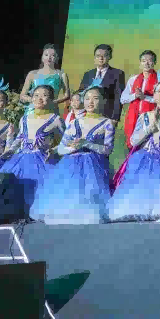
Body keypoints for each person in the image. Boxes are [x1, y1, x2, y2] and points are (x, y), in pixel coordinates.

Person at [30, 87, 115, 224]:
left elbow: (108, 149)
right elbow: (61, 149)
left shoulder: (107, 123)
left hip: (93, 165)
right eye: (87, 98)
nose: (90, 102)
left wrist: (86, 144)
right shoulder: (74, 122)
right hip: (70, 163)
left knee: (90, 193)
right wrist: (73, 148)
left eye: (95, 98)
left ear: (104, 101)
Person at [108, 80, 160, 222]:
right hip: (144, 157)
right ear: (154, 95)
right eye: (159, 91)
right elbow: (133, 141)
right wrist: (149, 129)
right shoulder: (145, 116)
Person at [119, 51, 160, 150]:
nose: (146, 63)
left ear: (154, 62)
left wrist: (145, 98)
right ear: (140, 63)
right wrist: (135, 95)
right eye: (143, 61)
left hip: (151, 117)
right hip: (133, 117)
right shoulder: (133, 79)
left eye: (149, 61)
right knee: (133, 145)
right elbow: (123, 99)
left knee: (148, 145)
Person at [76, 44, 125, 122]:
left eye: (104, 55)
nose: (101, 58)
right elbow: (81, 93)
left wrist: (115, 118)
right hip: (86, 115)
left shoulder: (118, 74)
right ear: (94, 57)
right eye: (98, 56)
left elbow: (118, 98)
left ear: (110, 57)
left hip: (106, 116)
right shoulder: (88, 74)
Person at [19, 43, 70, 117]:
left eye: (52, 55)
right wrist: (35, 100)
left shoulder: (62, 75)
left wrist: (52, 102)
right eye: (46, 55)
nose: (49, 57)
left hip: (51, 110)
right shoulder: (32, 73)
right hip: (33, 111)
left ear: (57, 58)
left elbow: (67, 95)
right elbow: (22, 95)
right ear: (42, 57)